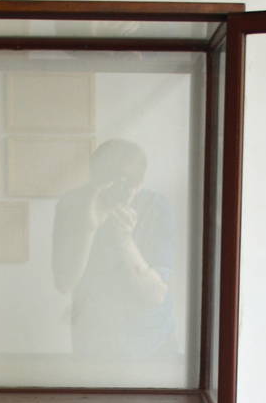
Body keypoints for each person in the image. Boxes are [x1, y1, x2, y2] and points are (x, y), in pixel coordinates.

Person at [52, 139, 177, 362]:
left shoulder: (157, 207)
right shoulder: (73, 204)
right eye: (101, 183)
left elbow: (156, 294)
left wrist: (124, 240)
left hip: (150, 340)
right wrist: (88, 229)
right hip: (93, 338)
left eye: (122, 184)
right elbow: (64, 282)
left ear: (138, 184)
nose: (111, 192)